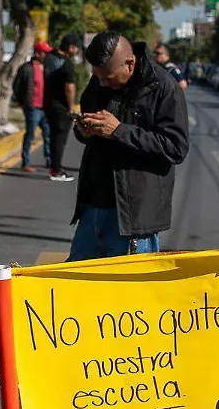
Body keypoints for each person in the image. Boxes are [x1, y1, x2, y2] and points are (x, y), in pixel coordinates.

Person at [68, 31, 189, 260]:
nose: (102, 83)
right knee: (79, 284)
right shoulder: (99, 81)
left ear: (130, 64)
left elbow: (175, 147)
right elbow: (89, 122)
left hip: (134, 216)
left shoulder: (164, 88)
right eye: (98, 77)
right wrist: (84, 130)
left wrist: (119, 131)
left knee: (130, 290)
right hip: (93, 204)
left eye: (108, 78)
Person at [42, 33, 81, 183]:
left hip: (48, 104)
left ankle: (55, 165)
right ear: (71, 47)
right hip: (61, 107)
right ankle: (56, 171)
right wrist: (71, 107)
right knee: (60, 139)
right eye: (76, 48)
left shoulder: (50, 57)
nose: (76, 51)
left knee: (53, 137)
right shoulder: (66, 64)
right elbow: (69, 87)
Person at [12, 41, 52, 172]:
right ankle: (26, 162)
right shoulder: (26, 68)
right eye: (45, 53)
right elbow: (17, 86)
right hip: (32, 107)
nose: (47, 55)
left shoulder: (46, 67)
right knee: (30, 134)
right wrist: (22, 102)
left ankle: (49, 160)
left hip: (45, 107)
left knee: (48, 134)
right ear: (38, 53)